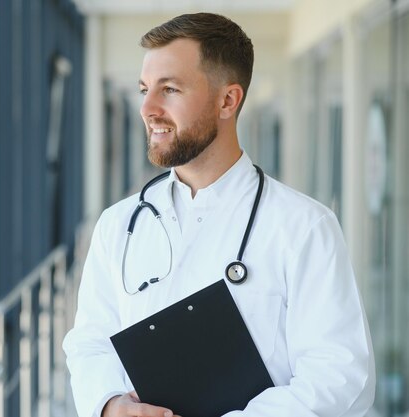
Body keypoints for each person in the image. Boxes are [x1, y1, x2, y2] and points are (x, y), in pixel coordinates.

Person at [63, 12, 375, 417]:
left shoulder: (304, 227)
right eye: (144, 89)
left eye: (169, 89)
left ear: (228, 100)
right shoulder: (118, 225)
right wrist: (110, 404)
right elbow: (89, 342)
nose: (148, 109)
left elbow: (341, 375)